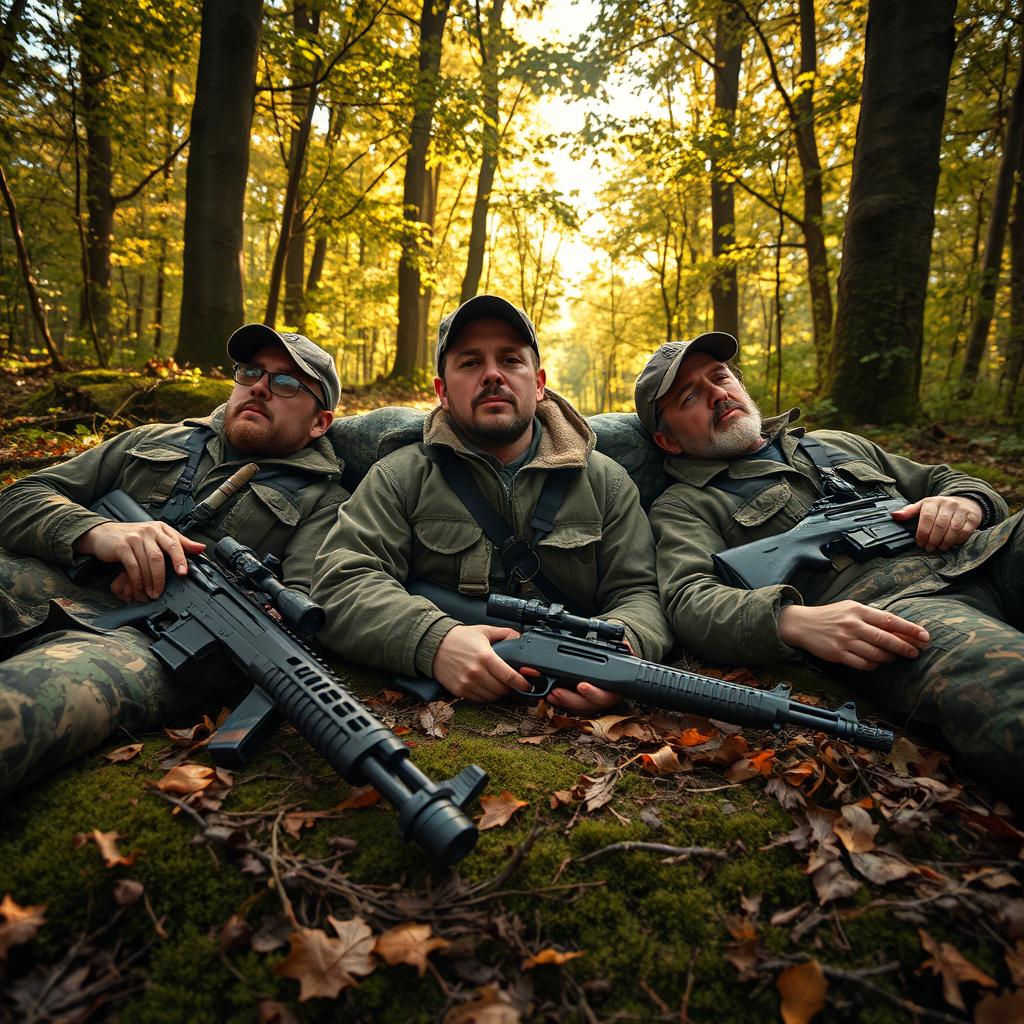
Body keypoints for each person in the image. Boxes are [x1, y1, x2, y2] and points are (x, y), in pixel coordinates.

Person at [635, 332, 1024, 799]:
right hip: (903, 614)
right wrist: (792, 621)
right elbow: (688, 599)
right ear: (667, 441)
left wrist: (967, 501)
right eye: (691, 397)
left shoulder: (833, 442)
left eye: (720, 377)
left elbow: (940, 478)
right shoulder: (686, 506)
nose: (718, 394)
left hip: (984, 551)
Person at [0, 324, 347, 795]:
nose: (261, 386)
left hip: (154, 648)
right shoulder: (152, 439)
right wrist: (96, 533)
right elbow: (20, 498)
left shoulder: (326, 504)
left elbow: (299, 613)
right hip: (44, 582)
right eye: (251, 371)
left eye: (287, 382)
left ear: (319, 423)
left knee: (19, 709)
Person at [312, 294, 672, 710]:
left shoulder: (606, 482)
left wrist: (617, 657)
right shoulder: (400, 476)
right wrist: (435, 641)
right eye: (470, 363)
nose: (493, 375)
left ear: (538, 384)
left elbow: (641, 592)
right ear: (443, 392)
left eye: (510, 360)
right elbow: (341, 580)